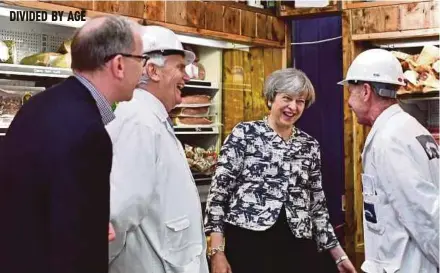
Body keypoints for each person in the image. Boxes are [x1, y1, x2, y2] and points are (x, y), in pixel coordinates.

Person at [0, 15, 144, 273]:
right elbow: (80, 249)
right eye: (140, 59)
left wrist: (88, 217)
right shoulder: (89, 131)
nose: (143, 69)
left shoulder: (39, 104)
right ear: (119, 65)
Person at [204, 68, 356, 273]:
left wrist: (338, 255)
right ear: (270, 99)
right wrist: (217, 252)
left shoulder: (309, 145)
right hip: (248, 243)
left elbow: (317, 206)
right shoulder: (245, 134)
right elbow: (218, 196)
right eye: (287, 98)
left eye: (300, 101)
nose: (293, 107)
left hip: (296, 247)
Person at [107, 25, 209, 273]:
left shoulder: (152, 118)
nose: (187, 77)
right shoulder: (138, 122)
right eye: (180, 68)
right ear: (152, 70)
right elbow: (120, 211)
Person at [338, 48, 439, 273]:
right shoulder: (407, 127)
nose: (349, 103)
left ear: (365, 91)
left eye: (350, 92)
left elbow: (424, 215)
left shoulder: (390, 140)